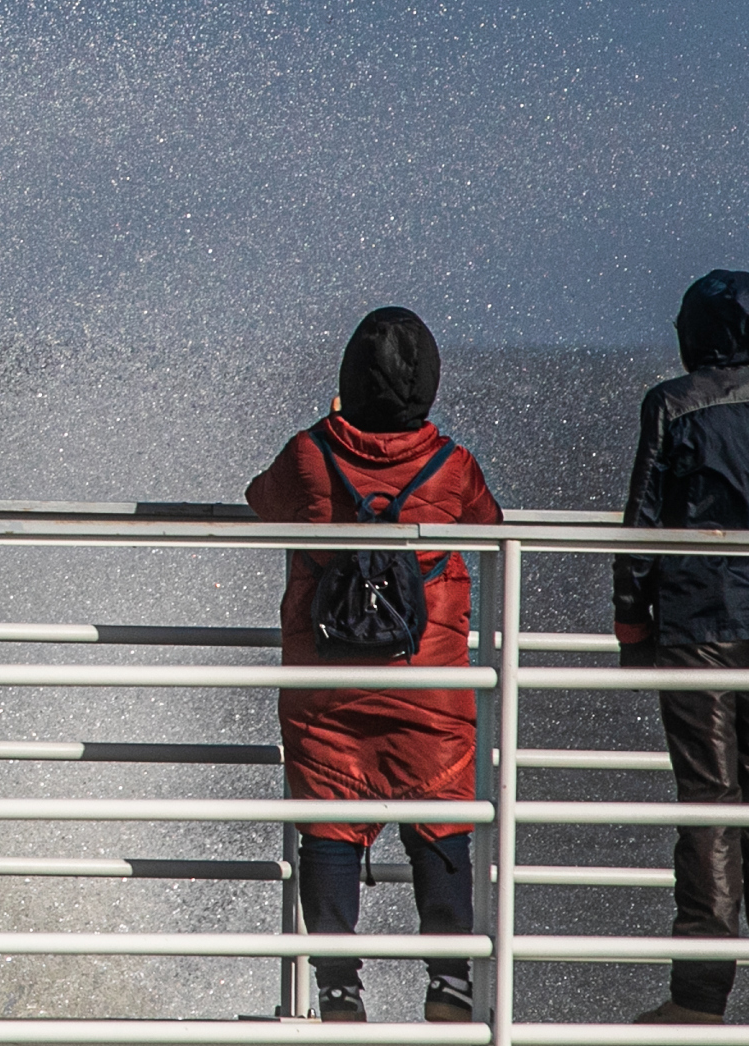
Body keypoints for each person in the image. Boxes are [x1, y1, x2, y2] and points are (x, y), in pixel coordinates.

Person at [244, 307, 504, 1026]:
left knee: (328, 825)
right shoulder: (451, 466)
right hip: (431, 683)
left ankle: (338, 989)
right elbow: (489, 526)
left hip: (328, 685)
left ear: (348, 381)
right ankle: (450, 983)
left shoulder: (307, 455)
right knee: (442, 820)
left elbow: (261, 502)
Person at [615, 269, 749, 1028]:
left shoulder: (672, 405)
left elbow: (643, 523)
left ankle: (700, 995)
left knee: (709, 799)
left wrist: (631, 624)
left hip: (698, 624)